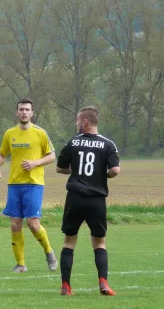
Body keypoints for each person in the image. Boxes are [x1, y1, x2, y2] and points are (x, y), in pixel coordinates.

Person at [56, 106, 120, 296]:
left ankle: (66, 286)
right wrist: (104, 174)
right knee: (99, 242)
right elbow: (115, 170)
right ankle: (103, 283)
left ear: (85, 122)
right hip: (97, 199)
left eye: (77, 120)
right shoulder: (108, 144)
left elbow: (60, 168)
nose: (76, 124)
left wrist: (75, 170)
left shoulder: (72, 143)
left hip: (75, 198)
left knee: (69, 242)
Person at [0, 98, 58, 273]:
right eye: (21, 109)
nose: (24, 112)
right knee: (15, 224)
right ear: (16, 112)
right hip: (14, 184)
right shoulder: (9, 133)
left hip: (34, 184)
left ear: (32, 113)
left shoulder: (40, 133)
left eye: (27, 109)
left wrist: (35, 163)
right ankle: (20, 264)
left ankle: (49, 252)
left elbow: (52, 156)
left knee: (33, 223)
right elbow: (2, 155)